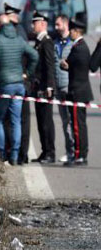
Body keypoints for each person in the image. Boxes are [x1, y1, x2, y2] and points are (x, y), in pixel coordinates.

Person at [0, 16, 38, 165]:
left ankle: (2, 153)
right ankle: (14, 155)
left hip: (4, 85)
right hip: (19, 85)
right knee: (16, 121)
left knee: (0, 120)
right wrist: (27, 73)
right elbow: (34, 55)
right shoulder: (19, 39)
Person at [60, 18, 93, 166]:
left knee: (77, 126)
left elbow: (70, 64)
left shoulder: (79, 48)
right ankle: (80, 154)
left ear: (76, 31)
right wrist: (67, 65)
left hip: (78, 92)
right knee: (79, 124)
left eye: (71, 31)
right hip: (79, 91)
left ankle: (80, 155)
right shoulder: (79, 46)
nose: (70, 33)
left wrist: (65, 64)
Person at [3, 2, 31, 164]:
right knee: (18, 119)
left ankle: (21, 154)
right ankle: (20, 154)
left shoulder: (18, 32)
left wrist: (24, 74)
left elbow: (27, 56)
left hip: (19, 82)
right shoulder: (18, 31)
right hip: (18, 80)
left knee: (20, 120)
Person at [30, 11, 56, 164]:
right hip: (38, 87)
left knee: (46, 121)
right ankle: (44, 151)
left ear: (42, 24)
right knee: (40, 121)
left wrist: (50, 86)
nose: (32, 25)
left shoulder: (47, 42)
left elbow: (50, 65)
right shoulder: (39, 41)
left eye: (35, 23)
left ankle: (50, 153)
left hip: (45, 88)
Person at [54, 14, 74, 163]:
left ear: (65, 25)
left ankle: (74, 151)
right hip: (58, 87)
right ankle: (69, 151)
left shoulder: (73, 44)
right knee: (64, 121)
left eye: (58, 24)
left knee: (71, 122)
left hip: (69, 87)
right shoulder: (55, 43)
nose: (55, 27)